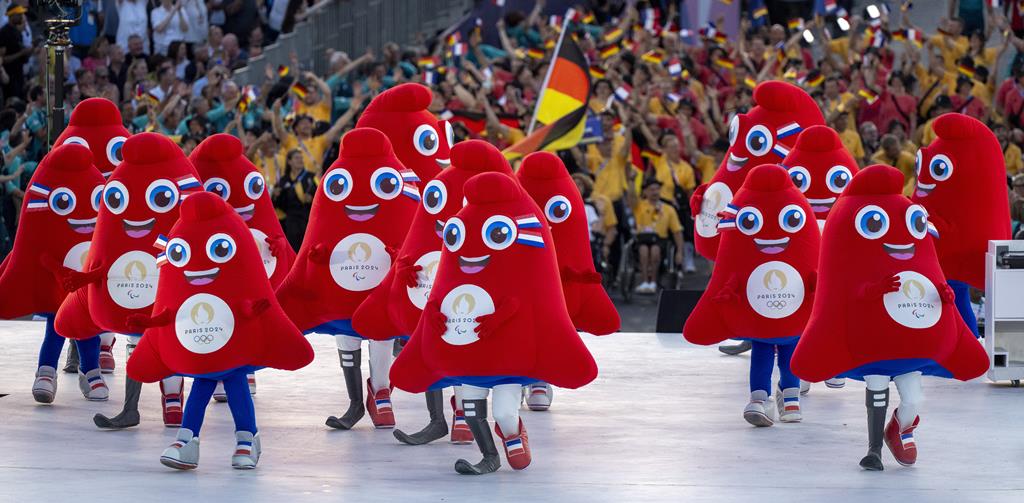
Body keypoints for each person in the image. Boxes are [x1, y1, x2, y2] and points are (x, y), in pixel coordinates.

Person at [633, 179, 683, 294]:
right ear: (645, 192)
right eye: (651, 190)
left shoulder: (668, 209)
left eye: (657, 189)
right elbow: (630, 198)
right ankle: (645, 281)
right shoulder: (639, 206)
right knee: (643, 250)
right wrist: (631, 181)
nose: (655, 192)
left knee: (655, 250)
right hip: (642, 239)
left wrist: (679, 252)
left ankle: (653, 282)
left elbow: (677, 232)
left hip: (661, 240)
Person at [0, 5, 31, 100]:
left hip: (19, 74)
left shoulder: (17, 32)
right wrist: (21, 53)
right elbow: (2, 59)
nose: (22, 17)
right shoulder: (4, 33)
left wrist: (29, 50)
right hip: (10, 77)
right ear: (12, 15)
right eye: (19, 14)